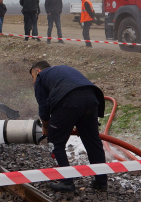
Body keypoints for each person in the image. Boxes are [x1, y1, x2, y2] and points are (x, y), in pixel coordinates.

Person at [30, 60, 107, 192]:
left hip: (69, 101)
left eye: (32, 77)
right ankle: (101, 182)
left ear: (38, 71)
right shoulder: (63, 70)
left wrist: (46, 127)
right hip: (92, 98)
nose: (33, 81)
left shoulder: (41, 77)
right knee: (93, 143)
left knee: (55, 143)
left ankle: (66, 182)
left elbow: (43, 107)